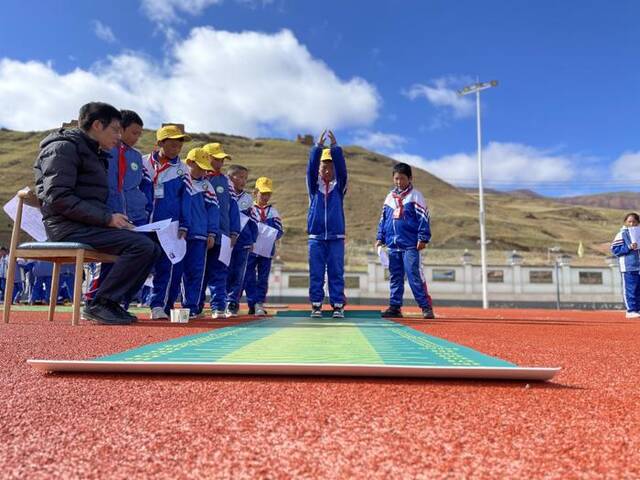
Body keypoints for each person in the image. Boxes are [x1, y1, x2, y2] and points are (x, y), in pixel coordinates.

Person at [33, 101, 161, 325]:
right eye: (115, 130)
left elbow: (90, 198)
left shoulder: (95, 153)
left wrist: (116, 220)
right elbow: (59, 198)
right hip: (66, 227)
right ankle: (100, 303)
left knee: (150, 246)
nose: (119, 136)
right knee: (141, 246)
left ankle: (110, 303)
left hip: (85, 224)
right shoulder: (63, 148)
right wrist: (107, 218)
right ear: (97, 125)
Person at [85, 109, 152, 307]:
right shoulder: (104, 149)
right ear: (119, 129)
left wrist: (143, 209)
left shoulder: (137, 157)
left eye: (140, 134)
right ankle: (94, 300)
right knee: (110, 261)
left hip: (135, 217)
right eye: (134, 133)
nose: (137, 138)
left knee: (146, 255)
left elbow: (141, 185)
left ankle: (120, 302)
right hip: (110, 214)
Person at [142, 124, 192, 320]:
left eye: (179, 145)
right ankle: (121, 303)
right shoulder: (142, 163)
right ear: (159, 143)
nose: (176, 149)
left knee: (166, 266)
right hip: (142, 223)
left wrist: (184, 224)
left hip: (168, 226)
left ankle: (158, 306)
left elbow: (186, 199)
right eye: (172, 144)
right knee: (136, 264)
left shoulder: (183, 170)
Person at [376, 163, 434, 319]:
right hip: (393, 245)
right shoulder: (389, 197)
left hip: (410, 245)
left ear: (410, 178)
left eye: (402, 178)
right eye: (396, 178)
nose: (399, 182)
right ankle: (395, 307)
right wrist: (380, 237)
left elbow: (423, 218)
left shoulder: (416, 196)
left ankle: (425, 307)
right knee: (395, 277)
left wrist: (423, 238)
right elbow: (384, 219)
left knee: (414, 275)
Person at [166, 147, 220, 319]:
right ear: (189, 163)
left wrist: (212, 233)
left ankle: (192, 308)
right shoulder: (179, 177)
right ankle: (166, 306)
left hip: (199, 236)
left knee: (196, 272)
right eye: (200, 167)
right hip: (178, 233)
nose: (203, 171)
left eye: (206, 168)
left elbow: (214, 211)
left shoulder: (207, 185)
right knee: (175, 271)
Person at [306, 129, 347, 319]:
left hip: (336, 237)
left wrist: (335, 149)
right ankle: (316, 305)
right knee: (316, 272)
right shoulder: (313, 189)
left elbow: (343, 170)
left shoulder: (340, 187)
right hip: (316, 237)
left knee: (336, 271)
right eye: (324, 167)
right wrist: (318, 148)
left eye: (331, 167)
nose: (327, 170)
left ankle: (338, 305)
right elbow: (310, 169)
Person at [199, 143, 240, 319]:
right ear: (206, 157)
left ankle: (218, 307)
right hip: (201, 233)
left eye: (222, 159)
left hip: (223, 235)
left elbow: (234, 208)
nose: (221, 162)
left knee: (220, 273)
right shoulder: (198, 178)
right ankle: (194, 307)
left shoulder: (226, 181)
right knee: (198, 272)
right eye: (217, 158)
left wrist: (234, 232)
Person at [243, 177, 284, 316]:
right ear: (255, 192)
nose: (265, 197)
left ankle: (259, 302)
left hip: (266, 251)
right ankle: (251, 303)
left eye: (268, 194)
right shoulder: (249, 209)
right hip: (251, 249)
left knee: (262, 278)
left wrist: (271, 235)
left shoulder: (273, 212)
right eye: (262, 193)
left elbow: (279, 230)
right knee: (248, 276)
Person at [225, 165, 258, 317]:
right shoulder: (224, 194)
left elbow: (252, 221)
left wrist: (252, 239)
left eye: (246, 178)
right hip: (226, 239)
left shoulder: (248, 198)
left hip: (243, 241)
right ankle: (220, 301)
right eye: (241, 177)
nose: (244, 181)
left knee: (239, 273)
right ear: (231, 178)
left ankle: (232, 302)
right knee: (223, 271)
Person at [611, 212, 640, 318]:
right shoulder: (622, 234)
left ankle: (638, 309)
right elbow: (615, 250)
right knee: (631, 289)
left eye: (634, 221)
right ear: (626, 222)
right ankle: (631, 310)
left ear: (638, 222)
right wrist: (628, 247)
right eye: (630, 221)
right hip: (628, 266)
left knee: (639, 289)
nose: (632, 224)